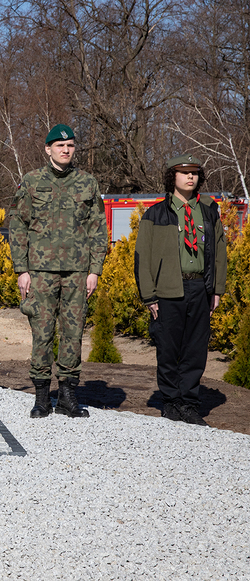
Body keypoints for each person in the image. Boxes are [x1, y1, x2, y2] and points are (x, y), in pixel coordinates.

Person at [9, 124, 107, 419]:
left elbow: (98, 229)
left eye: (71, 146)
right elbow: (17, 226)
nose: (66, 150)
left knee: (73, 333)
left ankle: (67, 395)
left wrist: (95, 270)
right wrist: (21, 270)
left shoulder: (87, 183)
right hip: (40, 272)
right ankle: (41, 397)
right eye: (60, 146)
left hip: (78, 272)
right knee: (42, 333)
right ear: (48, 149)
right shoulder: (31, 181)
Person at [135, 154, 226, 426]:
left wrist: (216, 289)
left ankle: (189, 403)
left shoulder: (209, 210)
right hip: (167, 291)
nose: (190, 177)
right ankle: (171, 402)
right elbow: (143, 257)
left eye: (195, 173)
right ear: (171, 177)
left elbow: (219, 251)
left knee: (195, 350)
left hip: (200, 288)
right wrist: (149, 296)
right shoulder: (155, 214)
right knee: (168, 348)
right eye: (184, 172)